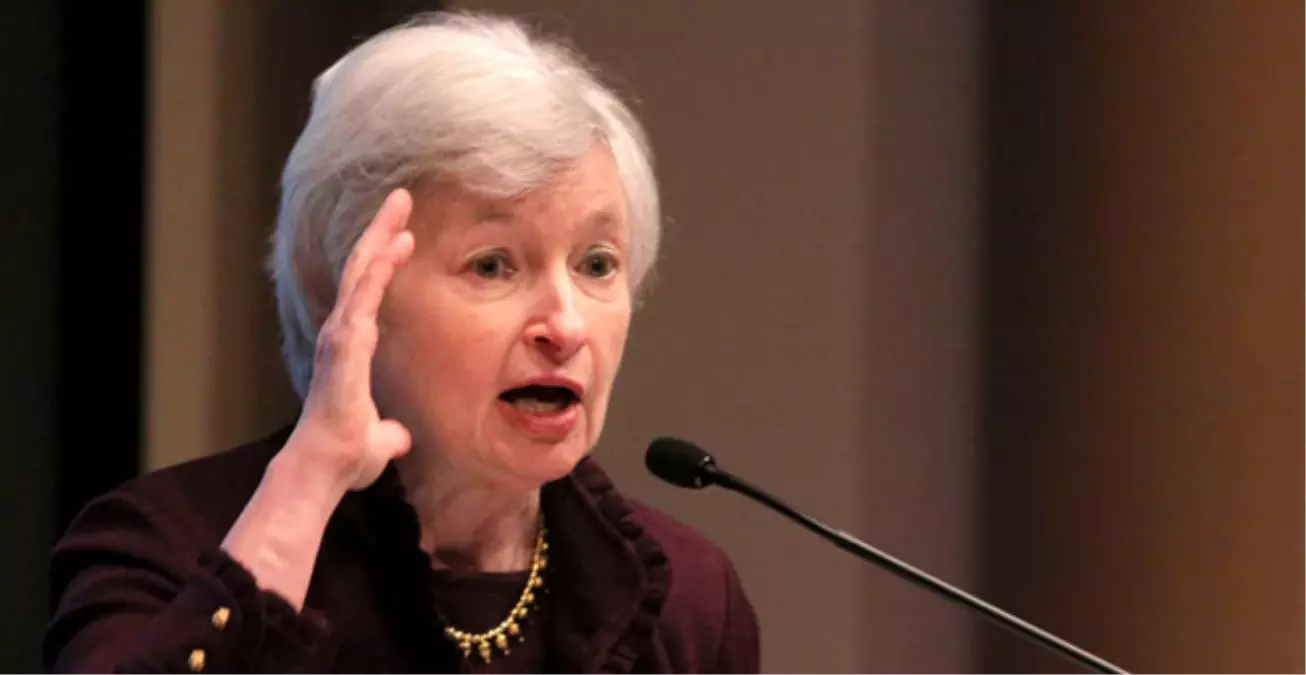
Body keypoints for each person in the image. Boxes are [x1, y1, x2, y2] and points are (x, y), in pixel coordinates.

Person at [42, 10, 760, 675]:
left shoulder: (688, 603)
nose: (566, 326)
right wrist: (305, 487)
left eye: (596, 264)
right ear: (345, 289)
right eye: (493, 265)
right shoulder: (161, 547)